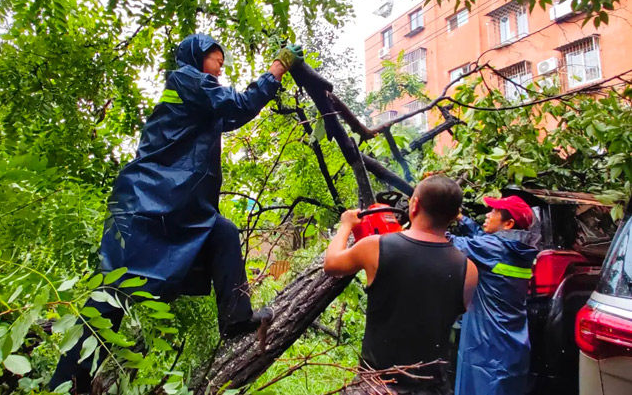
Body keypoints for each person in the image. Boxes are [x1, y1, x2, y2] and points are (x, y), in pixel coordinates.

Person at [49, 34, 304, 392]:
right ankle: (66, 383)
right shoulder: (186, 78)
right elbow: (238, 104)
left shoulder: (198, 95)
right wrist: (276, 70)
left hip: (172, 204)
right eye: (216, 59)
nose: (220, 67)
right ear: (197, 58)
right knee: (112, 297)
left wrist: (268, 83)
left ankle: (236, 317)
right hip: (148, 203)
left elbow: (232, 115)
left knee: (224, 234)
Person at [323, 175, 478, 395]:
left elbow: (331, 264)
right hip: (433, 387)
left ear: (414, 205)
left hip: (377, 385)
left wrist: (346, 225)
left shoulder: (376, 247)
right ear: (454, 216)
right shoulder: (468, 269)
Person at [449, 195, 541, 395]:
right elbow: (482, 240)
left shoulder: (492, 248)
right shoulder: (520, 249)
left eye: (494, 212)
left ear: (508, 224)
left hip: (488, 344)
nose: (488, 215)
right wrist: (460, 217)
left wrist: (434, 215)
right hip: (513, 342)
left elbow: (448, 242)